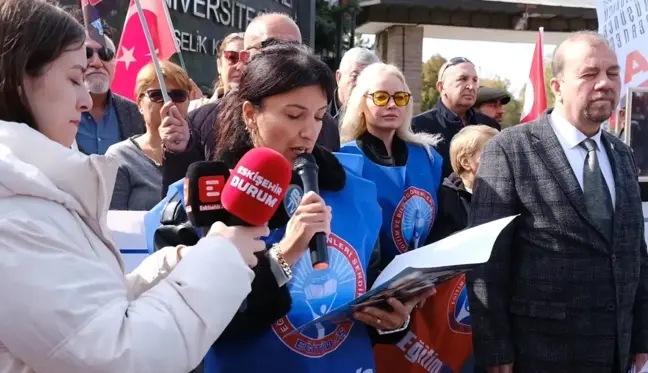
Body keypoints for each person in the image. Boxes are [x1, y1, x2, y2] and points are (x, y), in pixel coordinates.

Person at [0, 1, 268, 372]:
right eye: (74, 78)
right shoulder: (12, 215)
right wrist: (223, 257)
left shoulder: (31, 192)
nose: (83, 100)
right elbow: (116, 356)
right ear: (18, 77)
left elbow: (92, 312)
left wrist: (171, 264)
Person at [189, 43, 431, 373]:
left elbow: (366, 294)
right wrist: (285, 254)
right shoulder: (208, 198)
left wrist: (391, 321)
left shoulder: (357, 193)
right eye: (293, 115)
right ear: (250, 113)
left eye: (318, 116)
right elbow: (199, 327)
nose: (308, 131)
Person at [466, 31, 648, 373]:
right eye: (589, 74)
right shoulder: (510, 150)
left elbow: (634, 252)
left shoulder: (622, 155)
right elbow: (485, 262)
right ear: (557, 86)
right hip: (539, 352)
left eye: (612, 74)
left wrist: (641, 337)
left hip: (614, 354)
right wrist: (495, 349)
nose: (605, 84)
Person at [160, 13, 340, 196]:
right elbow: (180, 202)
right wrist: (179, 153)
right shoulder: (202, 121)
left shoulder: (328, 129)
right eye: (274, 49)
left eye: (296, 49)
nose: (309, 132)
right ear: (250, 114)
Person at [339, 62, 442, 265]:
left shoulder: (428, 157)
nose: (392, 104)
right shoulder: (345, 160)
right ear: (361, 103)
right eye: (381, 97)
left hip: (422, 280)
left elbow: (441, 227)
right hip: (369, 283)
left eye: (400, 97)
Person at [107, 60, 192, 211]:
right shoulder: (120, 156)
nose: (168, 102)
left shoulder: (202, 149)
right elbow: (113, 221)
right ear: (139, 103)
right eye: (157, 95)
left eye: (178, 95)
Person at [412, 57, 500, 180]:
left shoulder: (490, 126)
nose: (471, 86)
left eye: (475, 80)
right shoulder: (419, 126)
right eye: (462, 79)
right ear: (441, 87)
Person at [71, 12, 145, 155]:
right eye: (86, 53)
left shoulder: (134, 113)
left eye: (105, 54)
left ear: (114, 63)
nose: (97, 63)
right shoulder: (54, 108)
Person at [427, 125, 498, 242]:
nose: (501, 159)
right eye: (492, 153)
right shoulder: (443, 200)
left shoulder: (510, 193)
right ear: (466, 162)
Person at [188, 32, 243, 112]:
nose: (239, 66)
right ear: (219, 65)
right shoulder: (194, 110)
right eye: (232, 57)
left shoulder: (262, 115)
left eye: (246, 59)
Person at [329, 47, 380, 121]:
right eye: (355, 76)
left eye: (368, 79)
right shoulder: (319, 112)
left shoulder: (377, 115)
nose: (361, 85)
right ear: (339, 77)